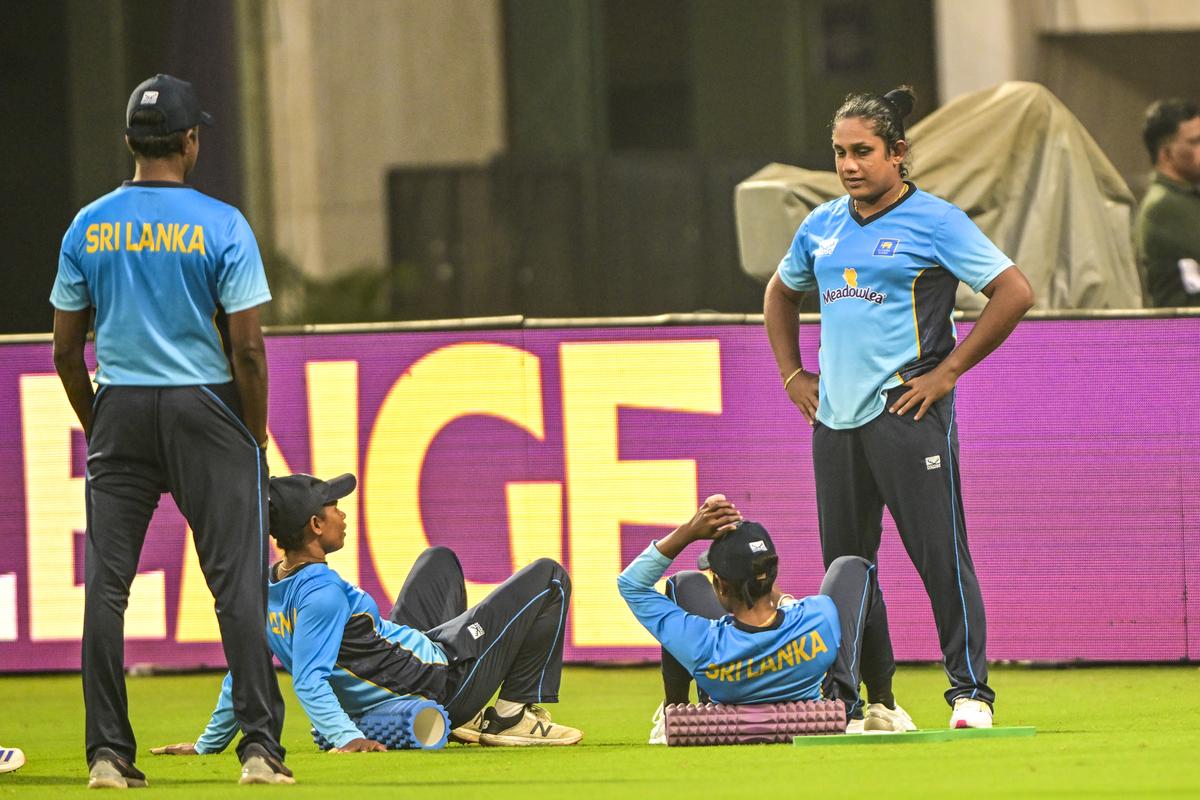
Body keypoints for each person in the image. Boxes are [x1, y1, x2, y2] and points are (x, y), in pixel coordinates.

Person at [762, 86, 1035, 729]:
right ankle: (867, 702)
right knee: (847, 571)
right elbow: (780, 294)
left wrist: (948, 372)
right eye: (839, 153)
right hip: (834, 420)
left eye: (863, 152)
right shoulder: (821, 225)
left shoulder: (935, 220)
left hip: (906, 414)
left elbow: (1013, 292)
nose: (850, 165)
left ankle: (970, 694)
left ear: (898, 153)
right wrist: (792, 375)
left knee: (940, 554)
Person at [50, 74, 291, 787]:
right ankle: (257, 750)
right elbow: (246, 347)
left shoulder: (87, 225)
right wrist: (252, 435)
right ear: (190, 142)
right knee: (236, 587)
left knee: (106, 589)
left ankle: (106, 755)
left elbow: (66, 350)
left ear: (130, 141)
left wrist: (101, 426)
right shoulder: (222, 225)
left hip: (120, 404)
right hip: (204, 407)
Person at [153, 472, 582, 755]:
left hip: (409, 657)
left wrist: (207, 746)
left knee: (439, 560)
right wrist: (348, 738)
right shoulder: (321, 594)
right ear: (315, 526)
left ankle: (473, 713)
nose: (342, 512)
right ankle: (508, 716)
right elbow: (308, 679)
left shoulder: (268, 587)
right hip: (442, 683)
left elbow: (242, 672)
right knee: (550, 578)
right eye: (333, 505)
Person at [619, 495, 915, 743]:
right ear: (772, 574)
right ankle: (878, 706)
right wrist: (782, 599)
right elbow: (840, 588)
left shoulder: (701, 642)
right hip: (814, 704)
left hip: (722, 697)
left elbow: (630, 584)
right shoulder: (819, 616)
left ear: (720, 585)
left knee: (682, 582)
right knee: (853, 567)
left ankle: (676, 711)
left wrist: (688, 531)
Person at [1134, 98, 1200, 308]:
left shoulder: (1185, 198)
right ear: (1166, 154)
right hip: (1182, 333)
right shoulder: (1163, 206)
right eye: (1195, 142)